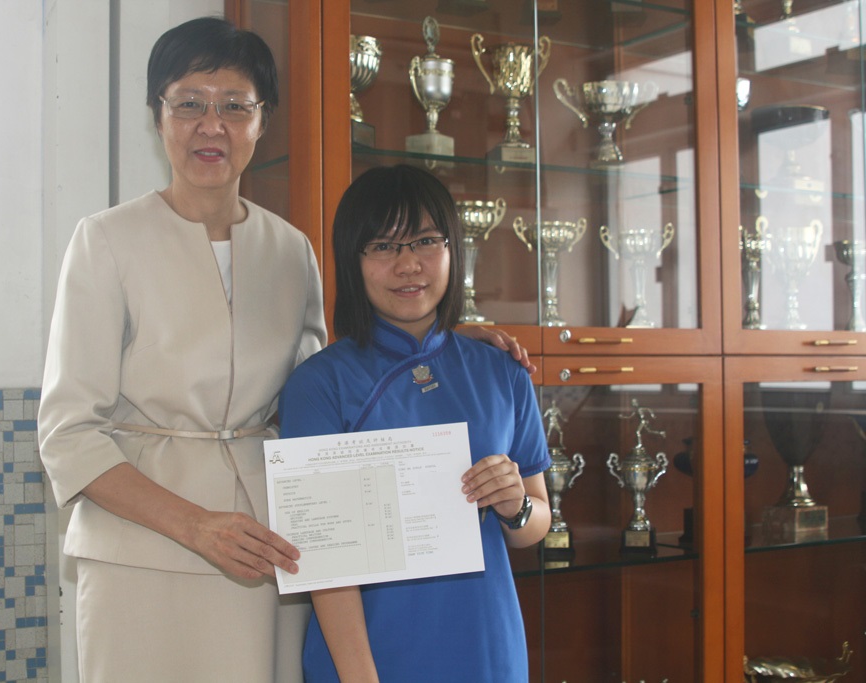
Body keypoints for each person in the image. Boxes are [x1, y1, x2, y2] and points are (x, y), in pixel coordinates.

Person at [38, 17, 533, 682]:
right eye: (189, 103)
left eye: (234, 106)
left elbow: (328, 389)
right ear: (158, 115)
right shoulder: (106, 241)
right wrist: (196, 526)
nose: (211, 126)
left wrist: (446, 340)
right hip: (142, 550)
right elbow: (68, 434)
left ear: (262, 120)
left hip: (267, 551)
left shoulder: (290, 249)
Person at [278, 164, 552, 682]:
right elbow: (323, 561)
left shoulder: (502, 370)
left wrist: (515, 506)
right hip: (369, 659)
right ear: (353, 260)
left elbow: (535, 525)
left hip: (487, 648)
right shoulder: (318, 385)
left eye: (426, 241)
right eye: (383, 246)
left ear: (453, 250)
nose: (408, 265)